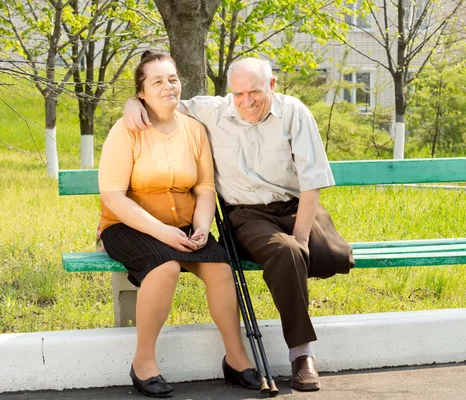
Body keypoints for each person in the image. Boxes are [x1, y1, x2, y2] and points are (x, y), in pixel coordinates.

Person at [124, 57, 354, 392]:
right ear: (230, 92)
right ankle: (302, 355)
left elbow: (312, 181)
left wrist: (303, 237)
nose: (246, 102)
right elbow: (166, 99)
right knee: (287, 253)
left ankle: (302, 252)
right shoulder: (211, 111)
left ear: (272, 86)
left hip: (295, 207)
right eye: (239, 93)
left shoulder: (294, 112)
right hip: (246, 216)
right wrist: (133, 101)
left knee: (335, 256)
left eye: (255, 92)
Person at [99, 51, 259, 398]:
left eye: (172, 78)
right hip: (128, 225)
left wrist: (201, 226)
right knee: (166, 266)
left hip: (184, 224)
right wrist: (162, 232)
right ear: (140, 92)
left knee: (219, 266)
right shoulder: (127, 129)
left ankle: (236, 359)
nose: (168, 86)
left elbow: (204, 188)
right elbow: (113, 197)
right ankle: (143, 364)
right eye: (157, 81)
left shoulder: (193, 129)